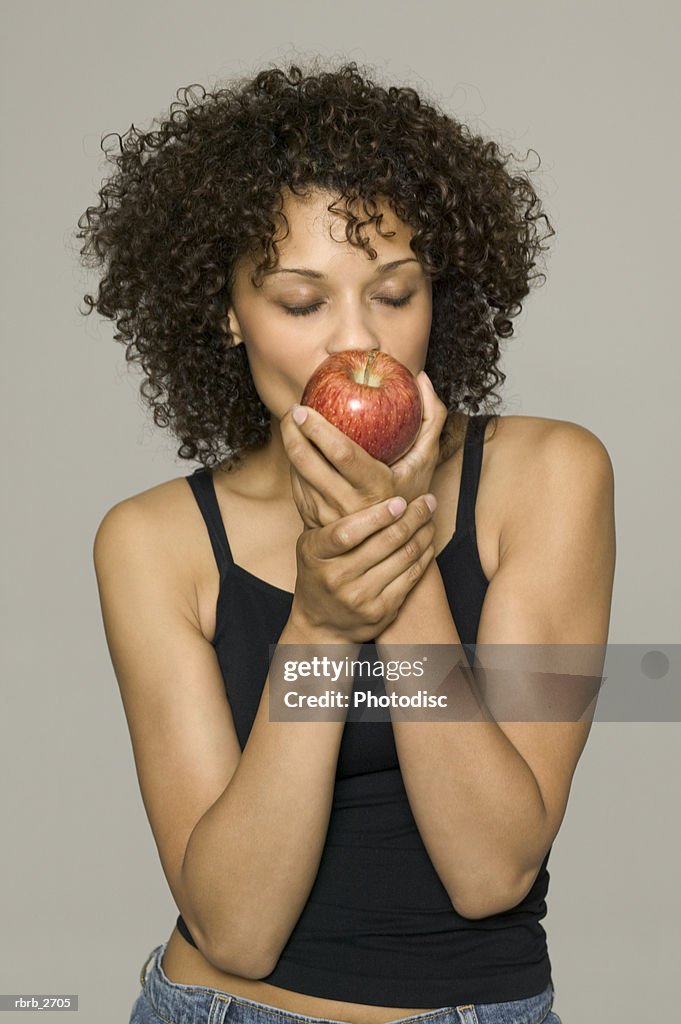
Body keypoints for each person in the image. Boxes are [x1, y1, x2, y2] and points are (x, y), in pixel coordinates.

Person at [77, 61, 615, 1024]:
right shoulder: (152, 543)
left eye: (394, 293)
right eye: (299, 302)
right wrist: (319, 629)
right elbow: (235, 928)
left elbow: (492, 867)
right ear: (225, 311)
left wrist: (395, 560)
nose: (354, 342)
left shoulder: (551, 478)